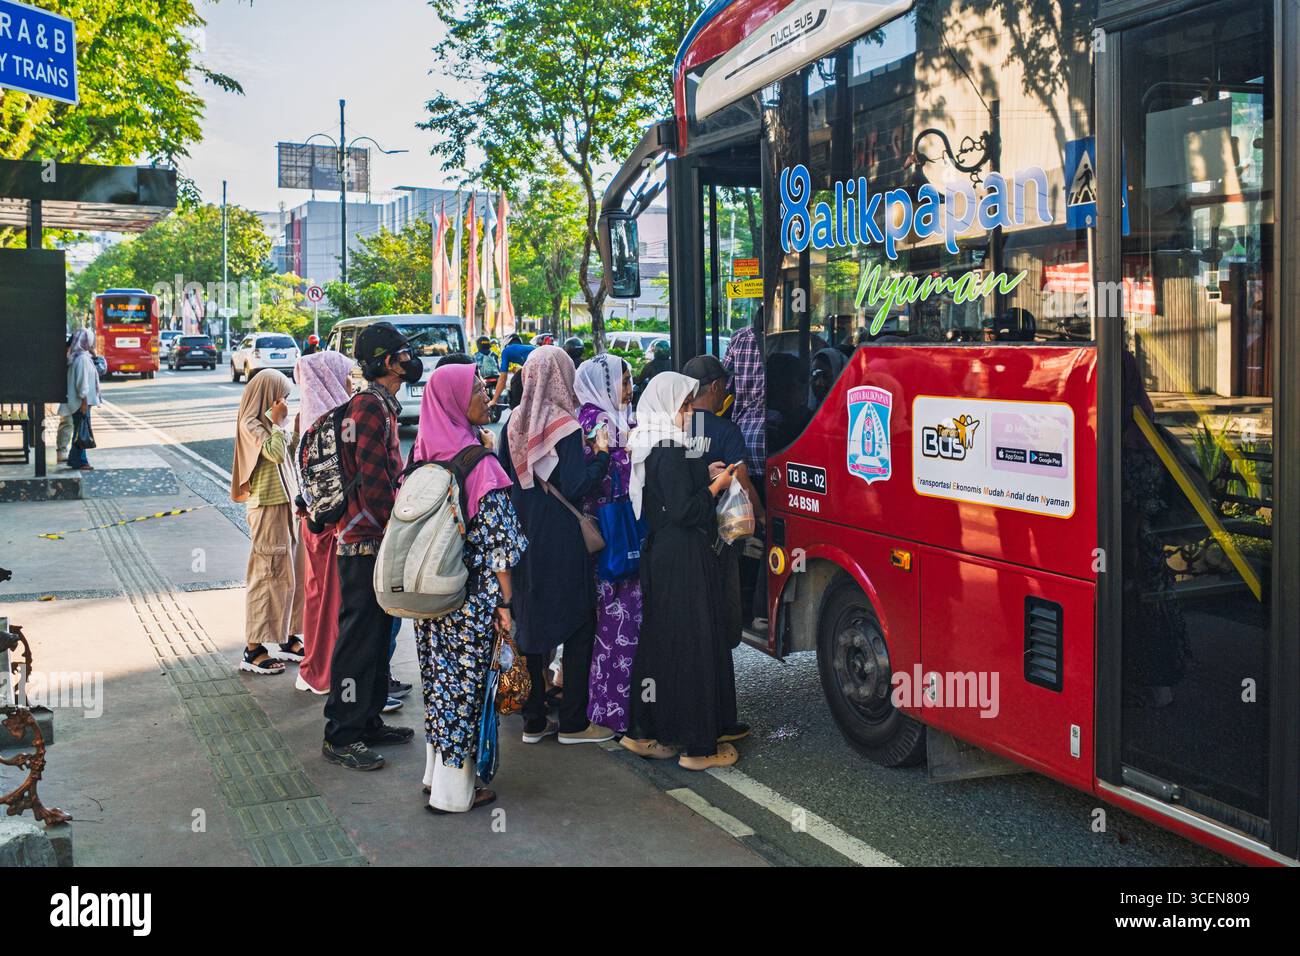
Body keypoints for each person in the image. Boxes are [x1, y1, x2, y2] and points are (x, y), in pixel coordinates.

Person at [410, 363, 527, 813]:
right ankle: (455, 793)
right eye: (476, 388)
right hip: (473, 597)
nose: (486, 394)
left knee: (440, 684)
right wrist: (507, 602)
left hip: (430, 593)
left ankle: (435, 775)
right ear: (455, 401)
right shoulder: (480, 464)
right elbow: (500, 548)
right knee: (469, 688)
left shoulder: (421, 455)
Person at [622, 372, 742, 769]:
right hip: (683, 557)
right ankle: (698, 748)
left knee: (661, 642)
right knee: (693, 645)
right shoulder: (670, 449)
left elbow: (669, 497)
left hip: (663, 554)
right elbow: (685, 511)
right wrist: (718, 486)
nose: (691, 413)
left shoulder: (653, 442)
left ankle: (645, 730)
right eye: (686, 406)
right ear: (669, 406)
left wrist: (705, 478)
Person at [499, 345, 614, 746]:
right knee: (579, 623)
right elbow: (577, 485)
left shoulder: (512, 424)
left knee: (532, 623)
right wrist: (600, 456)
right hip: (562, 539)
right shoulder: (564, 426)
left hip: (523, 535)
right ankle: (573, 723)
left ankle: (533, 720)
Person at [322, 322, 420, 771]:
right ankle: (341, 733)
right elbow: (376, 479)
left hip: (374, 538)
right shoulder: (368, 407)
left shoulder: (381, 403)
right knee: (359, 639)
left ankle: (368, 719)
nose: (409, 361)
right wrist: (397, 528)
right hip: (363, 542)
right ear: (386, 361)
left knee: (379, 636)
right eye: (402, 354)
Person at [573, 353, 640, 733]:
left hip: (617, 531)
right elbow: (609, 473)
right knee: (616, 625)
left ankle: (617, 707)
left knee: (619, 623)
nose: (629, 390)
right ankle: (610, 711)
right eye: (624, 382)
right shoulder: (593, 423)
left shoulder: (616, 419)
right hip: (608, 535)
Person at [230, 369, 307, 676]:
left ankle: (287, 636)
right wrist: (278, 423)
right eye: (281, 397)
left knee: (289, 573)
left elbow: (288, 453)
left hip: (285, 504)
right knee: (267, 574)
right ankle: (253, 648)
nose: (284, 403)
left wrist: (295, 430)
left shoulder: (269, 425)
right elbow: (275, 454)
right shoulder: (251, 424)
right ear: (267, 397)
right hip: (266, 507)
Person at [293, 350, 355, 694]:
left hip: (312, 520)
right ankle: (326, 671)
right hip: (333, 524)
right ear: (330, 378)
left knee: (317, 596)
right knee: (333, 600)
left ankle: (312, 667)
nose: (349, 382)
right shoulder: (336, 420)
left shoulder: (306, 415)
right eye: (344, 375)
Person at [721, 319, 765, 481]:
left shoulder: (740, 337)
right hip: (790, 441)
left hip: (745, 441)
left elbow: (725, 385)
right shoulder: (809, 339)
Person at [64, 329, 100, 472]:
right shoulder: (82, 359)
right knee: (81, 431)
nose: (92, 342)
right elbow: (82, 384)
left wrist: (94, 354)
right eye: (90, 340)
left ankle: (75, 459)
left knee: (80, 430)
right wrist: (84, 403)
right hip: (81, 402)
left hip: (78, 401)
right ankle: (79, 461)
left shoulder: (77, 356)